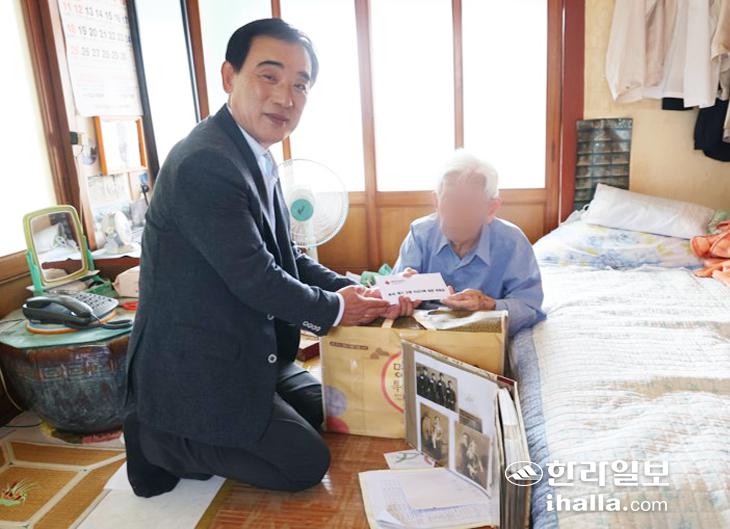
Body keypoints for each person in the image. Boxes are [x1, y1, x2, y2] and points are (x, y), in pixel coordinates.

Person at [123, 18, 416, 498]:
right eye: (269, 76)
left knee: (336, 412)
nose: (286, 97)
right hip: (195, 367)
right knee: (305, 464)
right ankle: (160, 438)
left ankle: (249, 409)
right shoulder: (205, 162)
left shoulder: (255, 154)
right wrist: (338, 308)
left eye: (300, 84)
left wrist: (356, 289)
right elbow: (256, 278)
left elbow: (286, 256)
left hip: (255, 352)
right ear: (228, 77)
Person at [393, 150, 546, 337]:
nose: (458, 213)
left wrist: (488, 305)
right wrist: (401, 292)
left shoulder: (512, 242)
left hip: (483, 337)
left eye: (470, 203)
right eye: (450, 200)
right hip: (423, 334)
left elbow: (530, 307)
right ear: (436, 202)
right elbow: (392, 295)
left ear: (491, 209)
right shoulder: (420, 234)